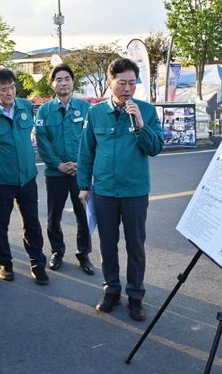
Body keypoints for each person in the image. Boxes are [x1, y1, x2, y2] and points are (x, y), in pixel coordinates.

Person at [78, 57, 164, 321]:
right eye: (122, 83)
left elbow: (155, 148)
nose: (127, 88)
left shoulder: (146, 110)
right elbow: (86, 151)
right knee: (107, 244)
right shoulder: (95, 113)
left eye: (132, 83)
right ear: (109, 83)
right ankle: (112, 290)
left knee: (135, 246)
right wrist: (84, 185)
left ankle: (135, 296)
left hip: (135, 191)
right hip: (104, 191)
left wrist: (140, 124)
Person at [0, 67, 49, 285]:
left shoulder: (25, 106)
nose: (10, 93)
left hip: (27, 178)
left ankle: (37, 263)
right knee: (0, 225)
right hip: (2, 182)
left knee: (32, 223)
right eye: (4, 89)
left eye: (12, 88)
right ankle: (4, 263)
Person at [35, 64, 94, 275]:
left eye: (67, 78)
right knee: (54, 216)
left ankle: (83, 254)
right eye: (58, 79)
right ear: (52, 84)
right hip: (55, 173)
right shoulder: (44, 111)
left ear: (72, 82)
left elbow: (91, 140)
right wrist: (58, 164)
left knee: (83, 216)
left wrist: (82, 165)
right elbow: (42, 141)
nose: (63, 83)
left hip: (80, 173)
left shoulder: (85, 108)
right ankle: (57, 252)